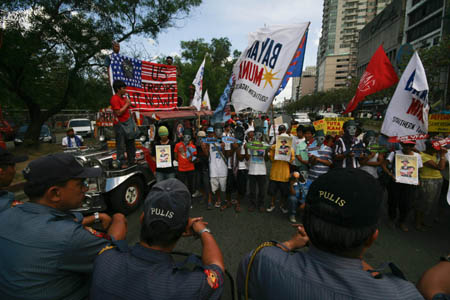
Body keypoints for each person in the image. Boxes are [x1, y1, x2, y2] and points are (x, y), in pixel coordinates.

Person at [237, 168, 425, 300]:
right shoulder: (400, 294)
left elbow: (243, 286)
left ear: (306, 226)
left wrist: (291, 244)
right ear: (372, 237)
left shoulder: (263, 259)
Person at [0, 153, 127, 300]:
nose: (85, 189)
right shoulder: (70, 237)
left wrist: (95, 217)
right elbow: (115, 251)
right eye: (81, 184)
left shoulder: (8, 214)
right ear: (55, 193)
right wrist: (119, 218)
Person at [90, 178, 225, 300]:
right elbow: (217, 268)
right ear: (184, 229)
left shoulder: (103, 257)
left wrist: (117, 217)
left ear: (142, 219)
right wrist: (202, 231)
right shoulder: (188, 287)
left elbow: (114, 239)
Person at [383, 140, 423, 232]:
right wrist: (390, 174)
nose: (407, 147)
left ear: (413, 145)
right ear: (402, 144)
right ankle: (392, 219)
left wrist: (418, 179)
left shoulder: (417, 156)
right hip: (395, 182)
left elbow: (418, 170)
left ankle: (401, 221)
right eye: (406, 145)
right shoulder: (394, 153)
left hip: (410, 183)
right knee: (393, 201)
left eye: (410, 145)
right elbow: (384, 165)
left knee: (407, 203)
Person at [415, 140, 447, 231]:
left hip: (437, 180)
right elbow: (440, 167)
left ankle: (422, 220)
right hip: (427, 180)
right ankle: (417, 222)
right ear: (429, 148)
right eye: (435, 149)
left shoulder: (433, 155)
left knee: (431, 203)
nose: (437, 151)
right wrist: (443, 155)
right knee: (423, 202)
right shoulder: (423, 156)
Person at [267, 125, 295, 213]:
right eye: (280, 131)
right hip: (275, 172)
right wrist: (273, 151)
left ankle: (282, 205)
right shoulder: (274, 146)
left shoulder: (290, 148)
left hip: (284, 173)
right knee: (273, 191)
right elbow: (271, 159)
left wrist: (289, 155)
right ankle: (272, 204)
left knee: (284, 192)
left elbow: (291, 160)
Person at [110, 79, 136, 168]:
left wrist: (130, 103)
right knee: (121, 144)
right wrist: (126, 104)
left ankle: (131, 160)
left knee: (131, 142)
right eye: (123, 88)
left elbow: (131, 106)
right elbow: (118, 112)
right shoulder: (114, 98)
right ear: (118, 89)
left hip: (128, 124)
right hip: (120, 124)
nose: (126, 90)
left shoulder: (124, 98)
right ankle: (121, 162)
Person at [222, 125, 247, 212]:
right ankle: (228, 202)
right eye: (237, 133)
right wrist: (233, 147)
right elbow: (227, 154)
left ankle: (238, 203)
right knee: (228, 186)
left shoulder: (244, 143)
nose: (238, 135)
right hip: (231, 167)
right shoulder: (230, 141)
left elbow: (241, 158)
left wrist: (237, 148)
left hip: (241, 167)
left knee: (240, 187)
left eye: (240, 133)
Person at [203, 126, 227, 209]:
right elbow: (207, 155)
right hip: (213, 167)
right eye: (209, 133)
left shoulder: (224, 140)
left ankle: (224, 200)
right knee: (215, 185)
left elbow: (227, 154)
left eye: (212, 132)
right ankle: (219, 199)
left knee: (223, 185)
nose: (210, 134)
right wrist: (204, 147)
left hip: (223, 167)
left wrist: (223, 148)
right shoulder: (208, 141)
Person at [246, 126, 269, 212]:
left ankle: (261, 204)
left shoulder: (264, 144)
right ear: (254, 134)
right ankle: (252, 204)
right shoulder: (250, 144)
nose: (258, 135)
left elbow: (266, 159)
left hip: (262, 170)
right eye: (256, 133)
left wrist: (266, 151)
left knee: (262, 190)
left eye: (260, 134)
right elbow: (247, 157)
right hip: (252, 170)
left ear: (262, 135)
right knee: (252, 190)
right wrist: (246, 149)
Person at [174, 128, 197, 197]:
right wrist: (181, 161)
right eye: (185, 136)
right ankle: (182, 197)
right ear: (182, 137)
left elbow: (193, 159)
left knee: (190, 185)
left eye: (188, 137)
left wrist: (188, 149)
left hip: (190, 168)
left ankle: (189, 199)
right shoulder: (177, 145)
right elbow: (175, 157)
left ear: (190, 138)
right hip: (181, 169)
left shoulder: (193, 146)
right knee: (181, 185)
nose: (186, 138)